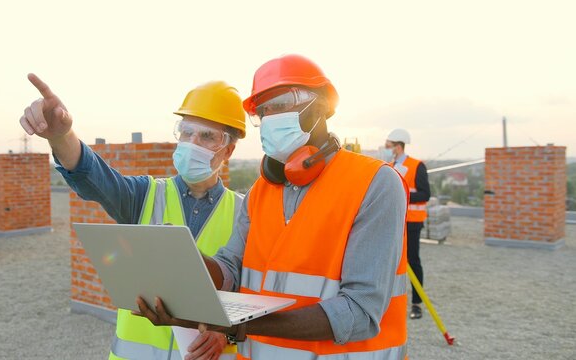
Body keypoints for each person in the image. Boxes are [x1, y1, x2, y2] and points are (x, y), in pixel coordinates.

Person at [135, 54, 410, 359]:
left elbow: (359, 312)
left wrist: (239, 325)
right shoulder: (260, 192)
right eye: (262, 112)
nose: (268, 118)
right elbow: (231, 271)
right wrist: (187, 258)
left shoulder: (375, 183)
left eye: (278, 105)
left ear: (319, 108)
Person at [19, 74, 247, 360]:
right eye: (186, 132)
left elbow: (252, 295)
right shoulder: (145, 195)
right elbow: (94, 176)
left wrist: (225, 331)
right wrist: (61, 136)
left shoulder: (245, 213)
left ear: (228, 149)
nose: (192, 143)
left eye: (206, 136)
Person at [384, 129, 431, 320]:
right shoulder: (388, 166)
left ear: (398, 146)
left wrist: (402, 194)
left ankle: (416, 304)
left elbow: (425, 194)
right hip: (394, 220)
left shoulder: (417, 165)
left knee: (413, 260)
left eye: (388, 146)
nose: (386, 149)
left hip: (412, 222)